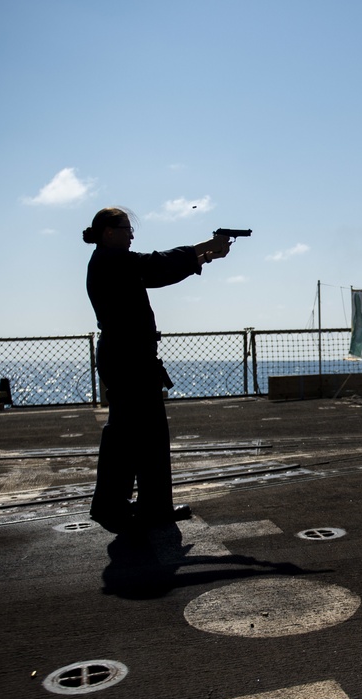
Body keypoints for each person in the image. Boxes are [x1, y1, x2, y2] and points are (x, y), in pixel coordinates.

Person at [83, 207, 231, 534]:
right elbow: (156, 264)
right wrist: (205, 244)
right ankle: (115, 506)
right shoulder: (112, 261)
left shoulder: (111, 262)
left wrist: (204, 256)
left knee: (144, 433)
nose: (131, 234)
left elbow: (157, 273)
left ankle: (149, 506)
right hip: (127, 357)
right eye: (126, 228)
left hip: (129, 356)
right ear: (109, 232)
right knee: (129, 434)